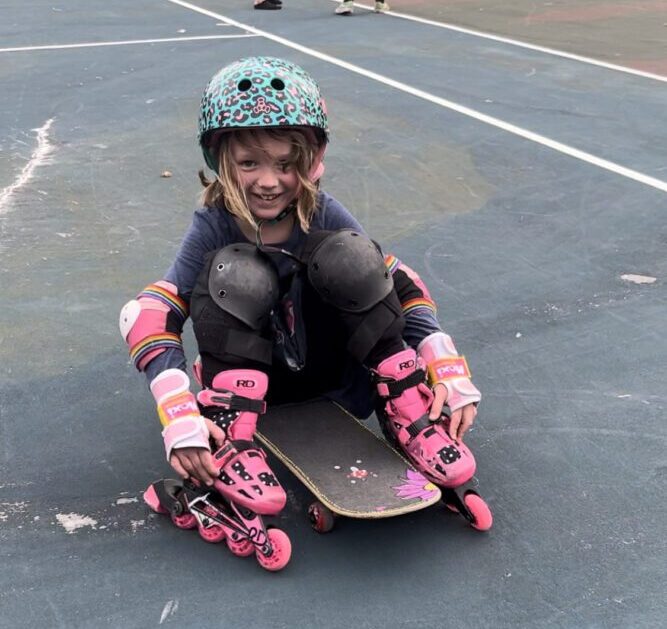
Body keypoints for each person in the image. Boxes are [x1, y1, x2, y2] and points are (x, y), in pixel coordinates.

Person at [120, 56, 481, 529]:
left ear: (310, 161)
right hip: (253, 388)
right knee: (239, 270)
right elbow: (149, 316)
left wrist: (442, 362)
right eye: (249, 163)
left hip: (340, 381)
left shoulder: (323, 211)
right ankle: (231, 433)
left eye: (286, 164)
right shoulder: (214, 225)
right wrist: (177, 409)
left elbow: (396, 283)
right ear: (221, 160)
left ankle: (406, 406)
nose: (269, 181)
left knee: (352, 257)